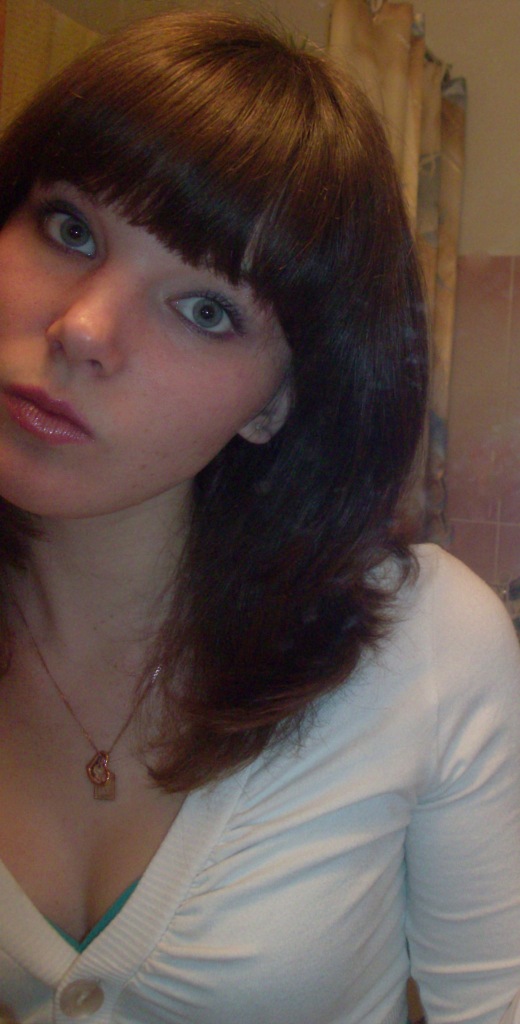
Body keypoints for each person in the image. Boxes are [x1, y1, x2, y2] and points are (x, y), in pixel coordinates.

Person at [0, 9, 519, 1024]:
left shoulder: (427, 652)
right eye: (70, 229)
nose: (82, 329)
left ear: (276, 404)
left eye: (206, 310)